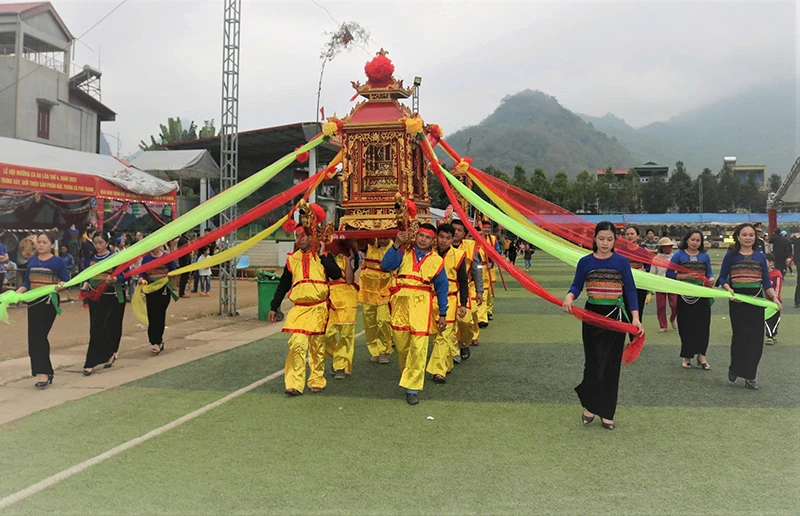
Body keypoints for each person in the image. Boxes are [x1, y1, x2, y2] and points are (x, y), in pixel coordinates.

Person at [562, 221, 643, 430]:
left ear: (615, 240)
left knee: (610, 364)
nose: (605, 243)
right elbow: (577, 284)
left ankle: (607, 412)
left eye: (609, 239)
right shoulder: (585, 262)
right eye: (601, 238)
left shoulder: (622, 262)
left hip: (616, 317)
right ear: (594, 239)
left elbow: (631, 291)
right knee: (593, 363)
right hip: (591, 316)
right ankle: (590, 406)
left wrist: (635, 317)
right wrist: (569, 297)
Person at [268, 213, 343, 396]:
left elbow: (336, 275)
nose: (298, 240)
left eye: (301, 235)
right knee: (297, 344)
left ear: (311, 237)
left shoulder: (324, 256)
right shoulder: (292, 260)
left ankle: (316, 379)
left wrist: (323, 256)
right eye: (296, 236)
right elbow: (284, 284)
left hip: (319, 308)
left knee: (317, 346)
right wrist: (274, 305)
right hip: (299, 309)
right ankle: (294, 383)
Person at [381, 223, 449, 405]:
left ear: (432, 240)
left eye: (427, 237)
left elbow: (443, 288)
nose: (423, 239)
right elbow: (386, 265)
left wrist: (443, 312)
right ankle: (408, 373)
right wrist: (396, 244)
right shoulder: (403, 252)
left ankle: (413, 388)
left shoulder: (437, 261)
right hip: (401, 305)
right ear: (415, 235)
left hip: (422, 304)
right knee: (402, 347)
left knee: (418, 348)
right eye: (421, 235)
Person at [719, 223, 781, 390]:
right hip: (737, 301)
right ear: (738, 236)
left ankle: (750, 376)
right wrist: (728, 288)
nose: (748, 238)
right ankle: (735, 367)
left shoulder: (760, 257)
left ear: (756, 238)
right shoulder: (731, 255)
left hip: (756, 300)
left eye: (751, 235)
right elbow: (723, 277)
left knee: (755, 339)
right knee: (740, 337)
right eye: (744, 235)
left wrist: (774, 297)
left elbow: (766, 282)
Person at [15, 232, 69, 388]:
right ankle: (42, 372)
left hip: (49, 302)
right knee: (33, 337)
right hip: (33, 302)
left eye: (44, 242)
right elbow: (26, 283)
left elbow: (65, 280)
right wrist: (16, 294)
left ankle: (44, 373)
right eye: (39, 242)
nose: (41, 244)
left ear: (52, 245)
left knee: (39, 335)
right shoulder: (31, 261)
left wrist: (61, 286)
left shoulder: (58, 262)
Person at [425, 223, 469, 384]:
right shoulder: (428, 253)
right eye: (441, 237)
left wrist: (463, 303)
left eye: (448, 238)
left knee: (443, 335)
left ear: (453, 239)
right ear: (436, 237)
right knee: (434, 335)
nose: (444, 241)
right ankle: (446, 362)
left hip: (450, 299)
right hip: (428, 298)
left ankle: (439, 370)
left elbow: (463, 281)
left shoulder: (459, 255)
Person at [80, 232, 127, 375]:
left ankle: (91, 362)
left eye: (101, 242)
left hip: (111, 296)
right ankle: (108, 353)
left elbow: (125, 274)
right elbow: (87, 274)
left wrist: (115, 279)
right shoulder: (92, 258)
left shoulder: (114, 258)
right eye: (95, 242)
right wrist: (85, 284)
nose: (98, 245)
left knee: (103, 326)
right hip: (94, 297)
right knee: (96, 327)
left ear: (107, 243)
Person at [667, 230, 715, 369]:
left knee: (703, 325)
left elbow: (709, 272)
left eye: (698, 240)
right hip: (684, 294)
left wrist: (711, 279)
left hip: (702, 294)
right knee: (686, 325)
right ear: (687, 240)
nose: (695, 242)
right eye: (692, 239)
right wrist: (685, 277)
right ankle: (687, 355)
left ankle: (702, 356)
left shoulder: (704, 257)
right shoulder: (678, 256)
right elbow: (670, 274)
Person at [323, 240, 358, 379]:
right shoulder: (324, 256)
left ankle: (340, 366)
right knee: (325, 334)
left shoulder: (350, 257)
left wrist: (349, 260)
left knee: (346, 335)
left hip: (347, 297)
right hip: (329, 296)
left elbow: (349, 280)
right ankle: (335, 357)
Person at [358, 237, 394, 364]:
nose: (383, 240)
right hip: (368, 290)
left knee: (384, 320)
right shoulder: (368, 244)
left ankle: (383, 350)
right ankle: (374, 351)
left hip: (385, 289)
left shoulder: (394, 247)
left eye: (386, 237)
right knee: (369, 323)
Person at [452, 219, 484, 360]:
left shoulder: (470, 248)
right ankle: (452, 351)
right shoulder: (439, 246)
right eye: (454, 229)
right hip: (446, 289)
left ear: (464, 233)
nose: (456, 233)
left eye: (459, 230)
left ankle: (464, 342)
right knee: (449, 322)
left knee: (466, 320)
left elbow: (477, 270)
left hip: (466, 288)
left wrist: (479, 290)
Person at [138, 245, 178, 354]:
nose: (153, 247)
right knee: (152, 314)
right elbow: (142, 271)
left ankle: (158, 341)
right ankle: (155, 341)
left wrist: (168, 276)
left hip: (164, 289)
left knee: (160, 314)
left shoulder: (166, 257)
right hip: (151, 289)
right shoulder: (146, 258)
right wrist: (141, 278)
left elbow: (174, 270)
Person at [623, 226, 651, 326]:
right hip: (624, 285)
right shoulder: (621, 250)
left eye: (632, 234)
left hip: (639, 285)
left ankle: (635, 339)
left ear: (637, 236)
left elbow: (648, 266)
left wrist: (644, 270)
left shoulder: (643, 251)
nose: (629, 236)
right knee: (625, 313)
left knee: (638, 313)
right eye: (627, 234)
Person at [649, 237, 678, 332]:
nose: (668, 249)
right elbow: (652, 273)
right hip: (660, 284)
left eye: (669, 246)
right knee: (661, 306)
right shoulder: (656, 258)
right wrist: (650, 287)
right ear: (661, 248)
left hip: (672, 284)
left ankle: (673, 318)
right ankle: (663, 326)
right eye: (665, 247)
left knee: (674, 305)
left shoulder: (675, 258)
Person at [478, 220, 502, 323]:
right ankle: (481, 314)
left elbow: (497, 253)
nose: (486, 229)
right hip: (479, 268)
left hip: (489, 269)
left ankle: (489, 311)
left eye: (488, 228)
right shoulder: (477, 238)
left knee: (490, 293)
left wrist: (491, 263)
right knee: (481, 292)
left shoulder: (493, 239)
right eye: (485, 228)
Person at [764, 253, 783, 345]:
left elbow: (778, 288)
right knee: (766, 318)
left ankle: (774, 334)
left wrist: (776, 299)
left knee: (776, 319)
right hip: (764, 301)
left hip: (775, 300)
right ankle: (769, 336)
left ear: (771, 263)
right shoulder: (761, 274)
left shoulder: (776, 274)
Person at [177, 231, 192, 298]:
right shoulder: (184, 240)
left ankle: (181, 292)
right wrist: (187, 260)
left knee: (184, 277)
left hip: (182, 260)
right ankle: (182, 293)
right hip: (184, 261)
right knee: (184, 277)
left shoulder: (181, 239)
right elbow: (185, 251)